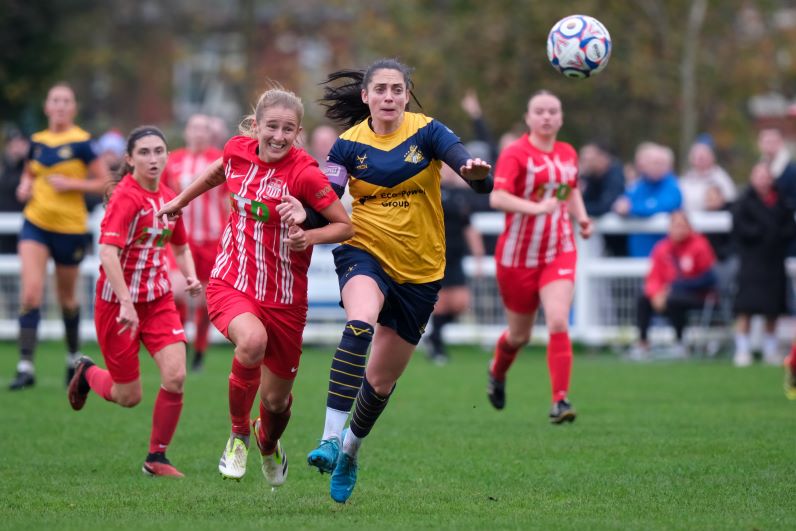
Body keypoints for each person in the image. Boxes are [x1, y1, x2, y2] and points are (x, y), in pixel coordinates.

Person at [304, 59, 492, 504]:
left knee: (381, 383)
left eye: (397, 89)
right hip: (364, 252)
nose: (389, 96)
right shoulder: (346, 146)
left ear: (406, 95)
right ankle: (330, 438)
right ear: (366, 97)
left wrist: (474, 172)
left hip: (423, 271)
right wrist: (300, 213)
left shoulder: (427, 131)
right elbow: (325, 200)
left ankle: (350, 449)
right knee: (360, 322)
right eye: (381, 90)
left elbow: (467, 166)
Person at [158, 87, 353, 486]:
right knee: (251, 342)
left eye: (288, 129)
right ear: (256, 126)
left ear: (298, 132)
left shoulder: (305, 173)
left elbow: (344, 226)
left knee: (276, 402)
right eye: (272, 127)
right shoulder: (236, 150)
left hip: (285, 299)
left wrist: (307, 237)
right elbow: (219, 171)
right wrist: (180, 201)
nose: (279, 136)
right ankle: (238, 436)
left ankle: (267, 444)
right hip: (232, 281)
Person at [66, 126, 202, 477]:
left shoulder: (170, 197)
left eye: (159, 150)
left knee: (176, 375)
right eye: (144, 152)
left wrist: (189, 275)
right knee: (128, 396)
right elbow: (108, 253)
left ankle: (156, 458)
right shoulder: (127, 197)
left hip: (157, 301)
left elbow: (181, 245)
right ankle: (88, 373)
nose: (153, 158)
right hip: (117, 306)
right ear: (129, 159)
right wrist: (125, 302)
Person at [485, 90, 591, 424]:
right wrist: (536, 208)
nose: (546, 117)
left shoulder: (567, 153)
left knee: (558, 319)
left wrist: (583, 218)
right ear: (529, 118)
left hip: (558, 249)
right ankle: (497, 371)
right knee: (520, 336)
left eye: (552, 111)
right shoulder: (515, 153)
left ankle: (560, 400)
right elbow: (498, 198)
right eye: (539, 111)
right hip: (517, 258)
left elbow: (569, 189)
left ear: (561, 118)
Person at [10, 83, 111, 391]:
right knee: (30, 294)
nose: (61, 106)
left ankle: (71, 358)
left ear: (74, 108)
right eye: (55, 100)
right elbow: (29, 173)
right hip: (36, 223)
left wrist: (71, 184)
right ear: (46, 107)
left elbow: (105, 180)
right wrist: (24, 187)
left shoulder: (82, 143)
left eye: (66, 101)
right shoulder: (36, 142)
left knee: (67, 299)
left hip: (70, 228)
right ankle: (26, 365)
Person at [162, 114, 225, 372]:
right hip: (181, 238)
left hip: (212, 240)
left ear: (209, 134)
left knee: (206, 301)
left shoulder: (220, 160)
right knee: (178, 290)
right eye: (194, 128)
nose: (199, 133)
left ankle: (199, 350)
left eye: (204, 129)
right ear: (186, 132)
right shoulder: (173, 160)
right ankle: (181, 344)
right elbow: (163, 194)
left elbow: (229, 197)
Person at [731, 162, 796, 367]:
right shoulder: (743, 202)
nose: (763, 180)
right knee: (746, 308)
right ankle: (742, 350)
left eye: (766, 176)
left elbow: (789, 229)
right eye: (759, 176)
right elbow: (742, 230)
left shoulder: (781, 202)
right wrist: (767, 231)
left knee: (772, 309)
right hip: (751, 262)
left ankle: (771, 350)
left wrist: (771, 233)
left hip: (774, 262)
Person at [630, 210, 717, 360]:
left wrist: (676, 288)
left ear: (689, 227)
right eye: (675, 225)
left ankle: (680, 344)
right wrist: (655, 294)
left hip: (697, 295)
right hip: (665, 295)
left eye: (682, 225)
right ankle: (643, 343)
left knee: (674, 299)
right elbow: (653, 277)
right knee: (643, 299)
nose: (678, 229)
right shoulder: (662, 248)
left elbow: (709, 278)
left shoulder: (700, 245)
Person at [425, 163, 485, 365]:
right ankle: (437, 346)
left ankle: (433, 337)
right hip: (434, 257)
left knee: (460, 303)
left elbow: (469, 226)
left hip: (456, 257)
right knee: (440, 305)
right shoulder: (428, 191)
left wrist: (478, 255)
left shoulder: (461, 195)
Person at [613, 142, 682, 257]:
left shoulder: (672, 186)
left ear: (668, 165)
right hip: (637, 253)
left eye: (659, 163)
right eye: (652, 162)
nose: (654, 166)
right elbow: (622, 203)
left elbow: (664, 205)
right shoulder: (639, 185)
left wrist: (632, 208)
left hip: (665, 254)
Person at [578, 141, 626, 257]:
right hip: (602, 240)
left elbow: (606, 206)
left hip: (619, 240)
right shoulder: (588, 177)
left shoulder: (615, 175)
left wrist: (579, 210)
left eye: (590, 159)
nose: (586, 163)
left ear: (603, 157)